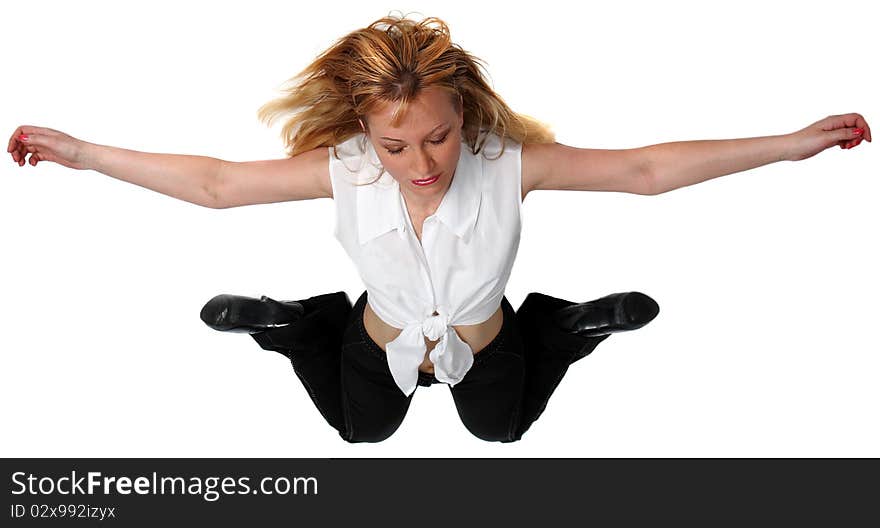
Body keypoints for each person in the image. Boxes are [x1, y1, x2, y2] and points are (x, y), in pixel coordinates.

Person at [6, 15, 870, 443]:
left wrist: (791, 146)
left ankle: (561, 329)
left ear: (466, 113)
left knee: (496, 431)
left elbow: (645, 171)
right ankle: (295, 325)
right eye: (395, 145)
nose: (421, 164)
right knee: (364, 430)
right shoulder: (342, 164)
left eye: (439, 137)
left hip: (485, 343)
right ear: (363, 131)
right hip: (373, 337)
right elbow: (219, 185)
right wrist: (83, 153)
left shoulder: (508, 160)